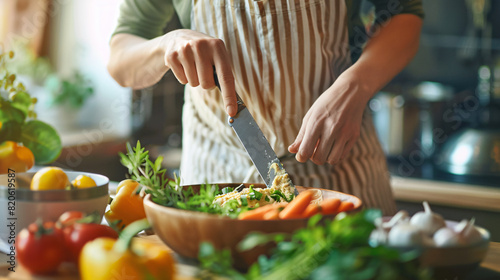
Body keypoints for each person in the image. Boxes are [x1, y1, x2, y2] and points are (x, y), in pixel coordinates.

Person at [108, 0, 423, 215]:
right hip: (218, 181)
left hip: (339, 175)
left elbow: (404, 14)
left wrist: (355, 86)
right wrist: (167, 43)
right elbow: (121, 60)